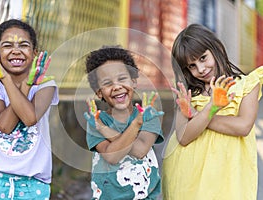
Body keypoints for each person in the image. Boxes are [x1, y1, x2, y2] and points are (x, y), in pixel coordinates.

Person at [162, 23, 263, 200]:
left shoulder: (247, 85)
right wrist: (211, 107)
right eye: (191, 66)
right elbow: (184, 137)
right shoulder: (189, 92)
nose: (200, 69)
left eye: (203, 58)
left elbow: (243, 126)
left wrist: (196, 116)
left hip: (229, 174)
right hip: (188, 176)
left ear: (216, 49)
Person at [0, 19, 59, 199]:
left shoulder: (46, 86)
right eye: (8, 45)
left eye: (24, 45)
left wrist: (27, 83)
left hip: (34, 184)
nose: (16, 50)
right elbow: (5, 126)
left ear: (34, 53)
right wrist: (7, 79)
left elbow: (30, 118)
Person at [84, 45, 165, 199]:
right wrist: (135, 126)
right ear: (99, 92)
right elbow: (112, 156)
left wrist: (107, 131)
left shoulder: (149, 115)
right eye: (107, 83)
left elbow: (140, 151)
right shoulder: (97, 121)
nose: (117, 86)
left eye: (122, 79)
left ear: (134, 81)